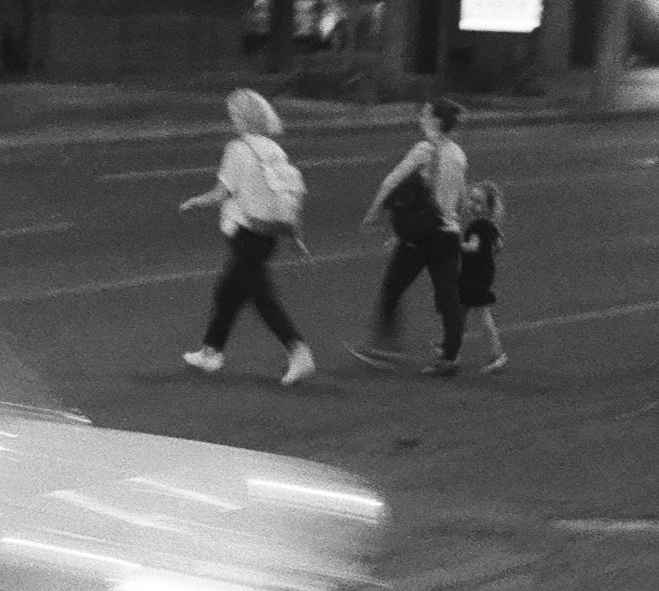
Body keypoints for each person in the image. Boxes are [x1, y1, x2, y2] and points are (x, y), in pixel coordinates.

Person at [177, 88, 319, 386]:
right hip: (267, 235)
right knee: (228, 293)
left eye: (233, 114)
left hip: (245, 233)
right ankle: (210, 352)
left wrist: (194, 202)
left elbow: (222, 192)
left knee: (262, 298)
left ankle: (298, 351)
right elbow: (285, 196)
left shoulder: (237, 149)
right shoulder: (273, 149)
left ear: (241, 117)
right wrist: (295, 236)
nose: (231, 120)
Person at [352, 98, 469, 377]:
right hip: (447, 234)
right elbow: (462, 198)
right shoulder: (458, 154)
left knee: (393, 287)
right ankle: (450, 356)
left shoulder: (425, 150)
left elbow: (391, 181)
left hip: (421, 237)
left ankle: (384, 347)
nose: (421, 117)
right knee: (449, 295)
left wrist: (373, 211)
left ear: (437, 122)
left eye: (426, 114)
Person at [456, 181, 507, 373]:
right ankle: (451, 349)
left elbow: (473, 247)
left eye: (477, 202)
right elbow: (499, 246)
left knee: (479, 315)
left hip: (473, 277)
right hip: (482, 274)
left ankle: (497, 353)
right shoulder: (490, 226)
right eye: (471, 199)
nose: (471, 204)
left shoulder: (477, 226)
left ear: (486, 208)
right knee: (460, 313)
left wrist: (455, 244)